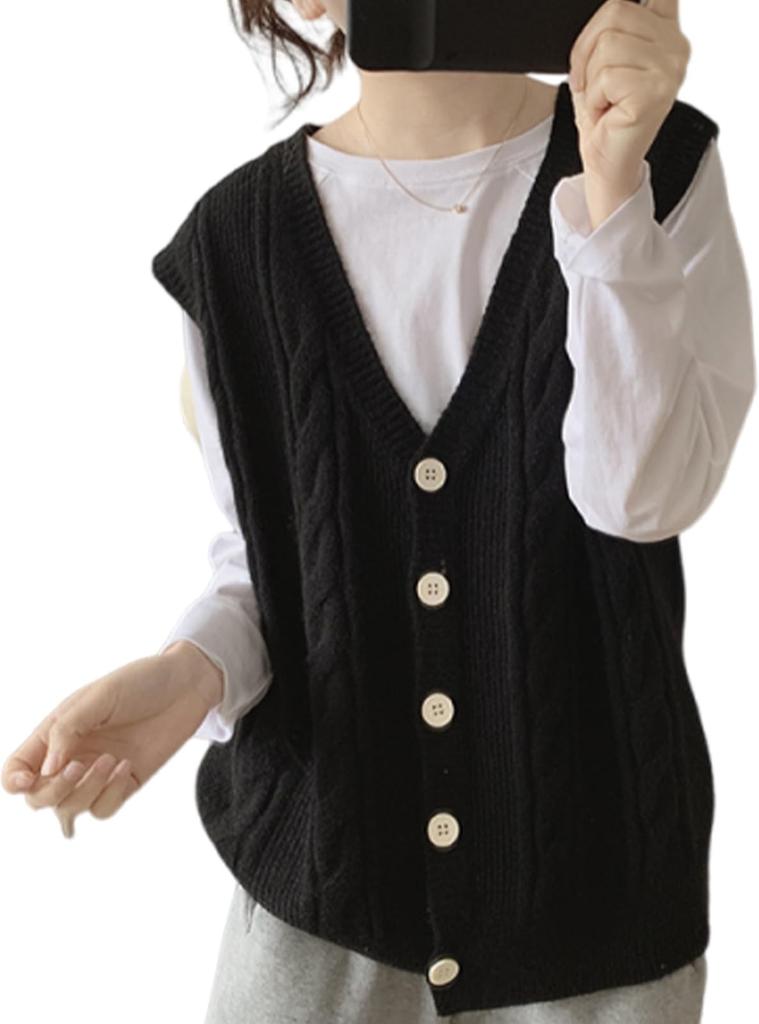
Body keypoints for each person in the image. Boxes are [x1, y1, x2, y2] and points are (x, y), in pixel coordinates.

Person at [3, 1, 755, 1021]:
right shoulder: (234, 243)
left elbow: (640, 499)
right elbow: (264, 566)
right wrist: (191, 674)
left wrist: (613, 190)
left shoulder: (661, 166)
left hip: (593, 918)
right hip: (319, 910)